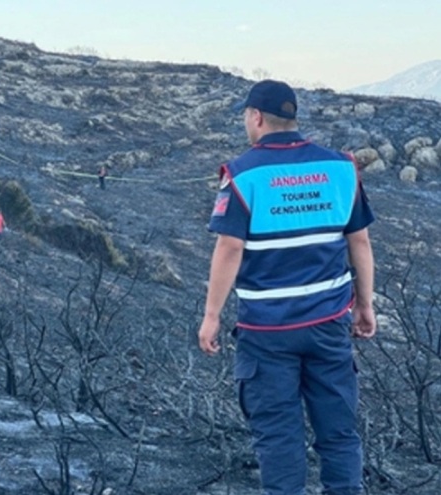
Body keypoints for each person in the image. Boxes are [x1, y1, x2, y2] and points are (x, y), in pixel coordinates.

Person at [197, 80, 376, 495]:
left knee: (279, 441)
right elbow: (360, 242)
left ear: (255, 118)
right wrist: (364, 305)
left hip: (266, 334)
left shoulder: (242, 174)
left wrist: (211, 316)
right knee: (339, 435)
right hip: (329, 324)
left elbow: (229, 248)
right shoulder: (340, 167)